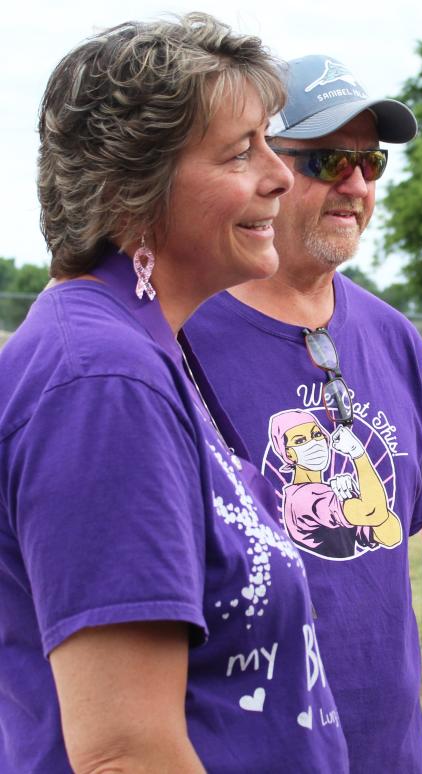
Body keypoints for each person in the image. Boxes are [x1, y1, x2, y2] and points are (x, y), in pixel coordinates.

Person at [0, 15, 349, 771]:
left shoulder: (146, 351)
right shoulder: (100, 381)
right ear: (133, 193)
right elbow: (125, 752)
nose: (280, 175)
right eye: (240, 151)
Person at [186, 54, 422, 773]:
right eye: (330, 159)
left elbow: (393, 545)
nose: (357, 184)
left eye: (372, 162)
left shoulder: (396, 339)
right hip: (248, 748)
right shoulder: (179, 339)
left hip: (389, 749)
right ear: (263, 167)